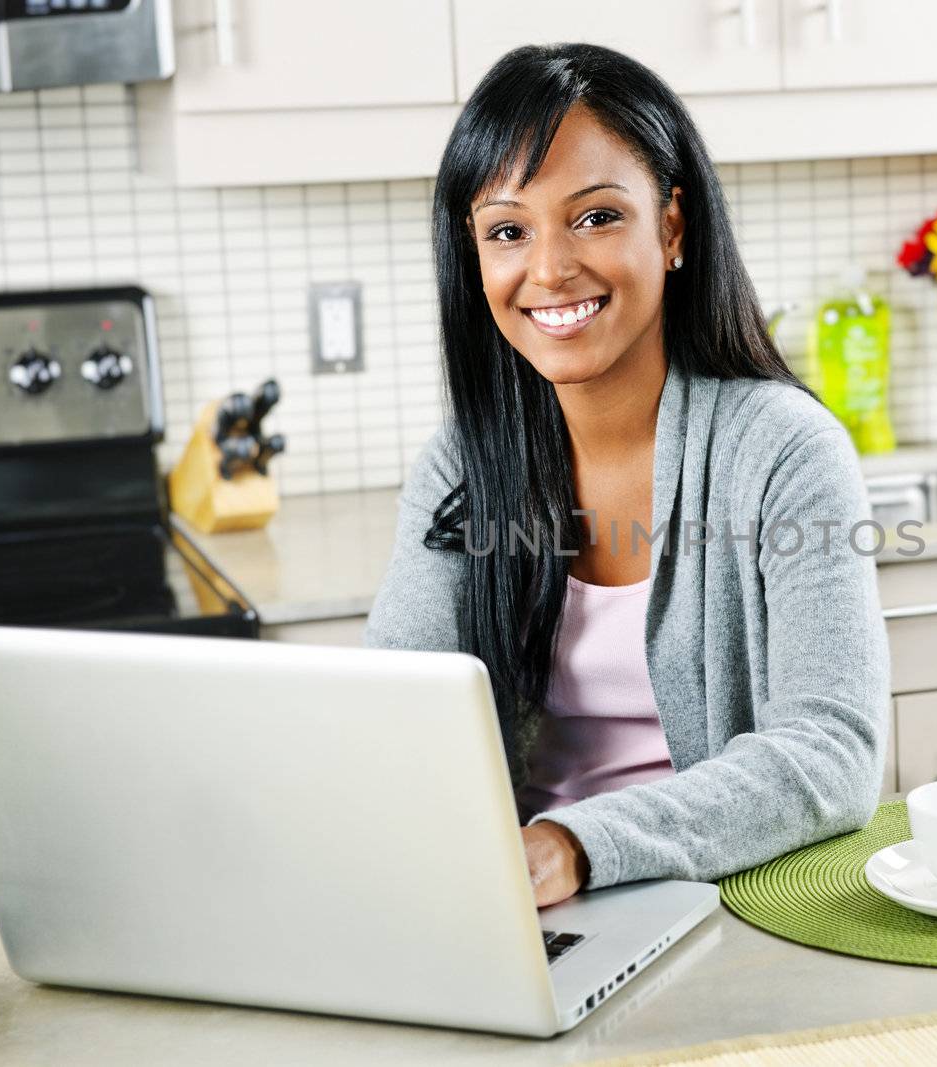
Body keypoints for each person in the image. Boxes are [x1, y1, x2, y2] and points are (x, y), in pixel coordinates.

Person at [363, 42, 890, 908]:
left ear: (672, 227)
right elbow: (392, 717)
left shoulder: (785, 450)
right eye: (508, 231)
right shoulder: (461, 465)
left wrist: (579, 840)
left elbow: (830, 754)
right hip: (520, 907)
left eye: (596, 217)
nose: (549, 269)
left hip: (730, 901)